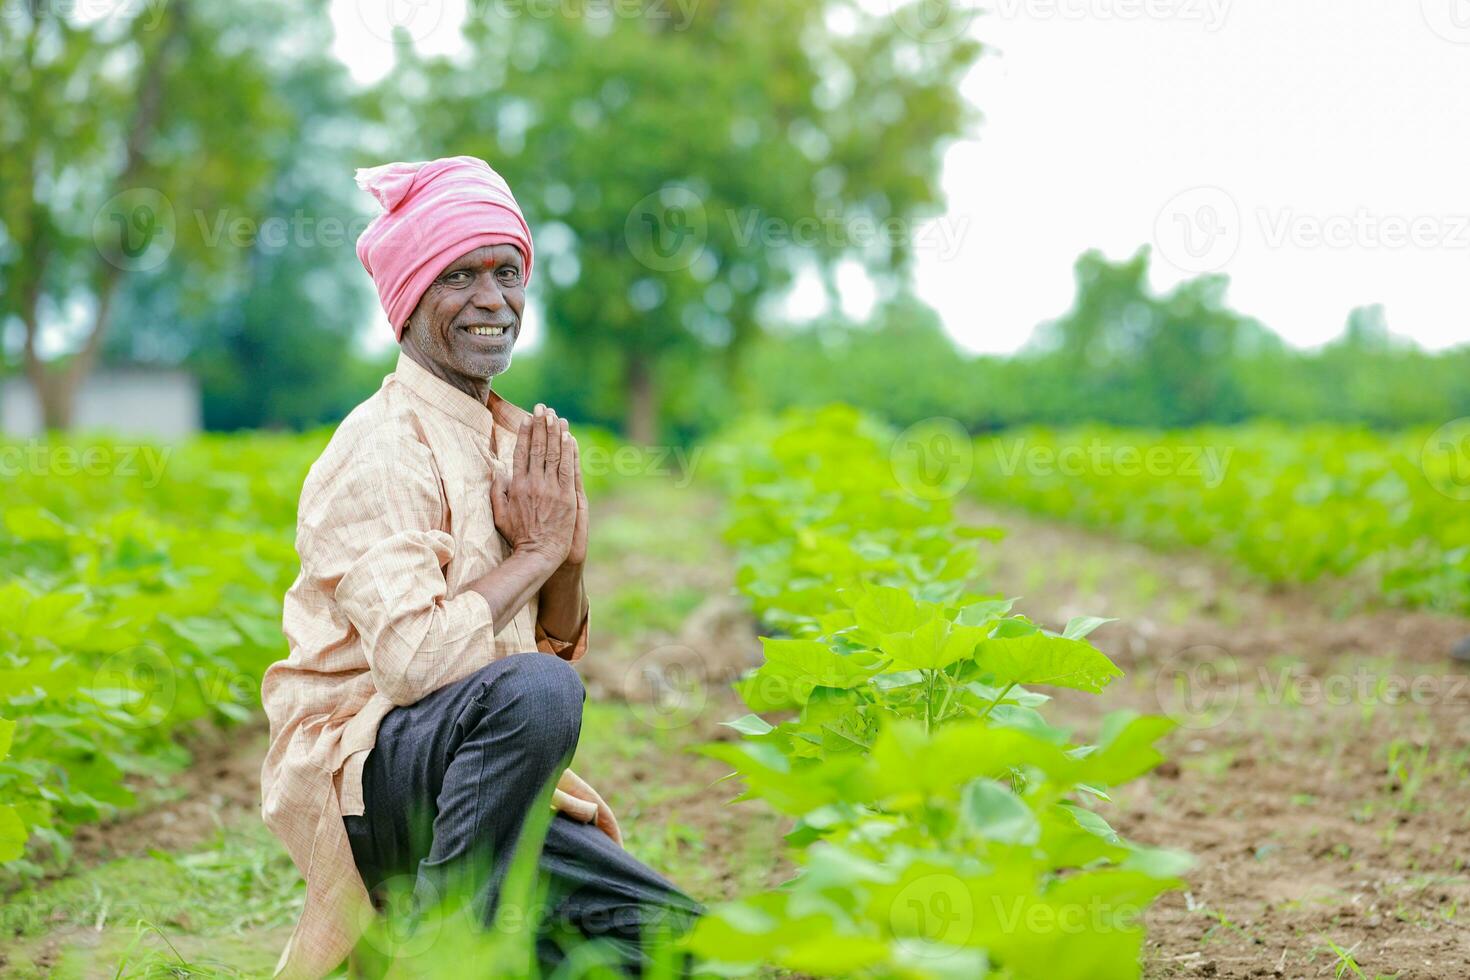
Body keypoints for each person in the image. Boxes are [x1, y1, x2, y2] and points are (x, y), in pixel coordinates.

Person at [259, 156, 702, 979]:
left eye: (507, 272)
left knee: (686, 946)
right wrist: (531, 553)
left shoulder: (505, 438)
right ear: (409, 301)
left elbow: (541, 657)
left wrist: (564, 561)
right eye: (459, 275)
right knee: (538, 695)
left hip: (478, 783)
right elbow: (421, 664)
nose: (492, 298)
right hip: (370, 777)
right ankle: (437, 948)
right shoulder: (382, 446)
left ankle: (454, 931)